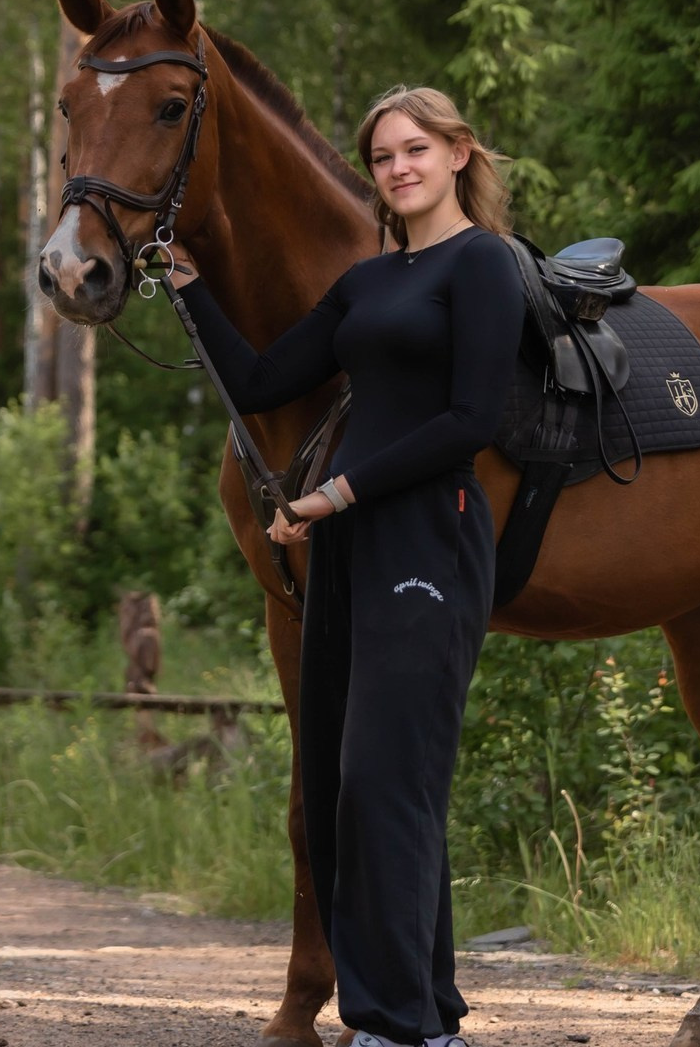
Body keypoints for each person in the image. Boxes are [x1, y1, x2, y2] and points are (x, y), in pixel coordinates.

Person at [170, 86, 524, 1047]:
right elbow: (256, 381)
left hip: (430, 535)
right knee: (339, 780)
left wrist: (337, 493)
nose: (398, 168)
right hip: (350, 551)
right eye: (381, 157)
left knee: (384, 780)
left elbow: (470, 422)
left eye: (416, 149)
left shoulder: (484, 266)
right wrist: (188, 281)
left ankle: (392, 1025)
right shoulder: (367, 283)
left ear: (458, 154)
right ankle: (429, 1015)